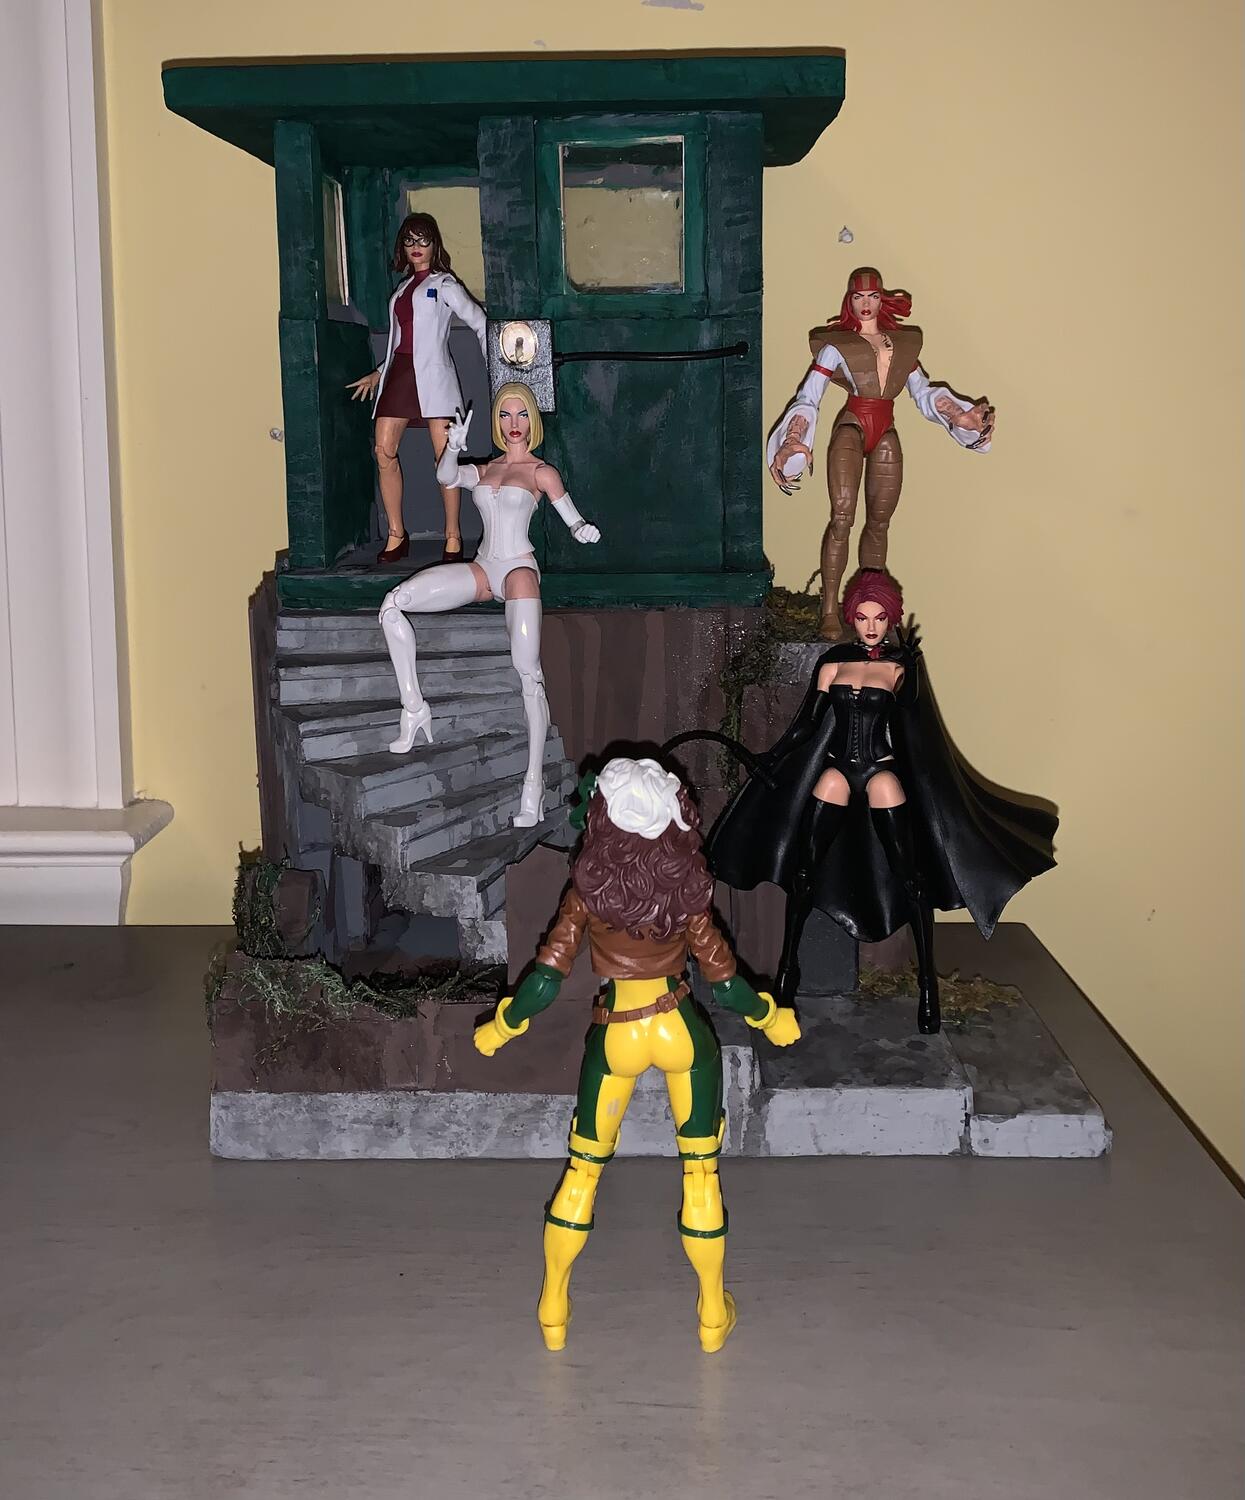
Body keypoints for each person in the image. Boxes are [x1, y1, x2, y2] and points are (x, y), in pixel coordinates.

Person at [472, 756, 800, 1352]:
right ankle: (711, 1314)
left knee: (582, 1171)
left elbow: (545, 978)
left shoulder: (588, 892)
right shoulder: (686, 893)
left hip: (617, 1032)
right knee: (700, 1172)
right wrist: (770, 1017)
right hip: (677, 1029)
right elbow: (727, 985)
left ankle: (553, 1308)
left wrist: (503, 1026)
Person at [704, 570, 1058, 1033]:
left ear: (891, 618)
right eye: (863, 616)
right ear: (851, 617)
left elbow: (914, 717)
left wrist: (910, 667)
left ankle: (928, 983)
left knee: (910, 876)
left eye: (880, 617)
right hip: (838, 768)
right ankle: (787, 974)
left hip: (879, 769)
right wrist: (772, 756)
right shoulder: (833, 663)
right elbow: (807, 724)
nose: (871, 626)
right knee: (804, 871)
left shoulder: (899, 666)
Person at [377, 383, 599, 828]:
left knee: (528, 674)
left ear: (532, 420)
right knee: (393, 604)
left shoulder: (542, 473)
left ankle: (533, 787)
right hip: (483, 569)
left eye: (521, 414)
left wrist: (582, 530)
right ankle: (414, 708)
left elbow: (572, 518)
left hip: (518, 570)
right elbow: (447, 478)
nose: (513, 424)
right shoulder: (485, 469)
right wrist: (452, 447)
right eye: (504, 415)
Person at [767, 267, 996, 638]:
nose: (866, 304)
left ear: (881, 299)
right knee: (842, 517)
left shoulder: (901, 344)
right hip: (852, 426)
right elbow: (810, 395)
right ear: (849, 300)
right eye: (858, 296)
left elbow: (923, 392)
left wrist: (960, 415)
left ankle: (869, 603)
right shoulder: (837, 346)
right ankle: (829, 608)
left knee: (880, 521)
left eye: (872, 296)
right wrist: (794, 438)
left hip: (885, 429)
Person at [347, 213, 487, 565]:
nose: (416, 247)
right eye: (409, 241)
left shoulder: (445, 284)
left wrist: (496, 363)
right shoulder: (402, 289)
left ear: (435, 244)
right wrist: (379, 373)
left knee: (445, 458)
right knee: (383, 450)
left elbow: (479, 322)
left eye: (423, 240)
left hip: (435, 378)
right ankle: (397, 533)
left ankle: (453, 534)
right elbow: (402, 341)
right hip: (399, 373)